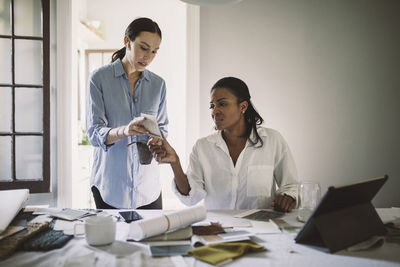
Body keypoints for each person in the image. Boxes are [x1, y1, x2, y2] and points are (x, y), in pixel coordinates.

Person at [149, 77, 298, 211]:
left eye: (222, 104)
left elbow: (291, 187)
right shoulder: (202, 147)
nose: (215, 111)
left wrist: (288, 198)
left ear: (243, 107)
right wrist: (175, 162)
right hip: (217, 231)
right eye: (212, 106)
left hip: (261, 230)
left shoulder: (272, 140)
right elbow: (191, 197)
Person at [86, 17, 168, 209]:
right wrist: (126, 130)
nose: (148, 57)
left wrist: (158, 140)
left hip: (148, 189)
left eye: (154, 51)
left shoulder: (158, 85)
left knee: (151, 239)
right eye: (143, 47)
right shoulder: (99, 79)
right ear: (127, 41)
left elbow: (162, 127)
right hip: (110, 188)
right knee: (112, 240)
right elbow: (94, 133)